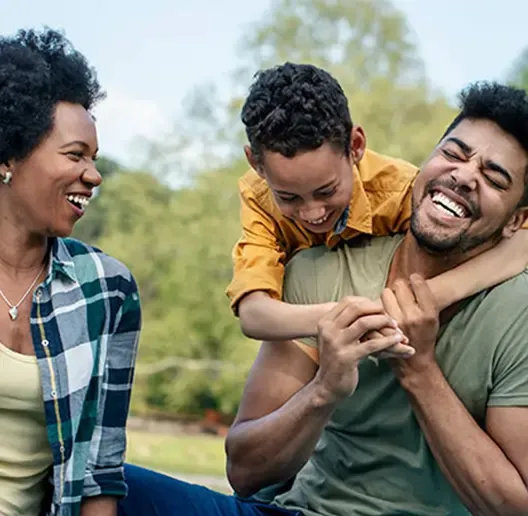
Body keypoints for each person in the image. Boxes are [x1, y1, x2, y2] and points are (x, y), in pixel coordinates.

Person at [117, 82, 528, 515]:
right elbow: (245, 471)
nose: (463, 175)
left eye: (493, 177)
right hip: (301, 511)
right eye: (453, 154)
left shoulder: (517, 311)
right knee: (106, 485)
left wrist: (419, 368)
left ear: (517, 221)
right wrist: (323, 389)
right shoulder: (319, 270)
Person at [227, 63, 528, 346]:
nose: (312, 212)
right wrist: (358, 316)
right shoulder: (259, 197)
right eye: (289, 197)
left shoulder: (400, 190)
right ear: (256, 164)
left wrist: (432, 297)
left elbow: (520, 241)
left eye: (327, 190)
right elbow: (254, 314)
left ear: (356, 146)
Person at [0, 28, 141, 516]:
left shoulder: (106, 289)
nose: (94, 175)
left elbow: (100, 469)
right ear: (8, 158)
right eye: (75, 154)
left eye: (95, 159)